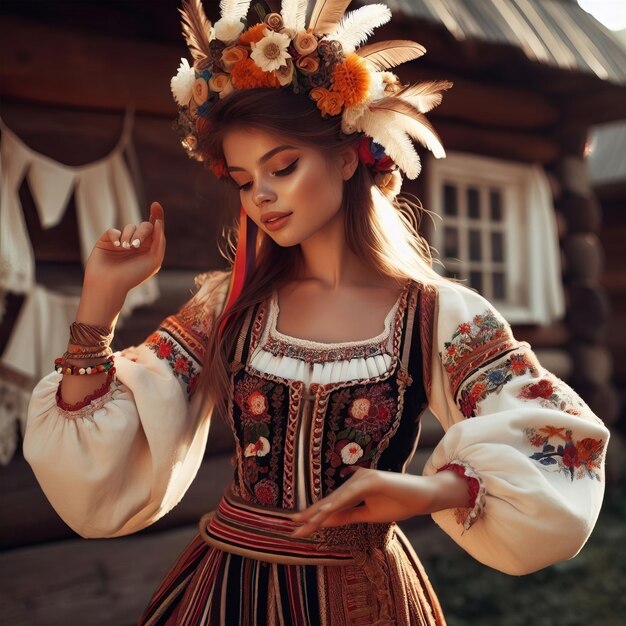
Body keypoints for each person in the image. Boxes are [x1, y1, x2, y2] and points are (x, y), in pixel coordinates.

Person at [23, 1, 609, 625]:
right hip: (226, 589)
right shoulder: (231, 303)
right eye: (246, 180)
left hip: (363, 595)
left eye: (283, 166)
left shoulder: (440, 313)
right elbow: (103, 447)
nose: (262, 197)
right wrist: (101, 301)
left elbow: (553, 438)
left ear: (348, 156)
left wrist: (430, 491)